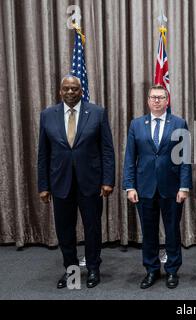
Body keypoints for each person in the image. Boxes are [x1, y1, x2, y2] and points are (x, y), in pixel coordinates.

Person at [37, 75, 115, 289]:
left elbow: (107, 150)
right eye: (66, 89)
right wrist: (43, 186)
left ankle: (93, 269)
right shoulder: (47, 115)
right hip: (60, 184)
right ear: (60, 91)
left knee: (92, 228)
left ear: (81, 91)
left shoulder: (97, 113)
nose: (70, 92)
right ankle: (71, 271)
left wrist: (108, 180)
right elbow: (43, 154)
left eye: (74, 88)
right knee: (64, 230)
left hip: (91, 182)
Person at [123, 84, 192, 289]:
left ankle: (172, 271)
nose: (157, 101)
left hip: (172, 188)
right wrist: (129, 186)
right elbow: (129, 158)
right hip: (143, 188)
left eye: (161, 97)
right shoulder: (136, 124)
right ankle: (152, 270)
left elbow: (185, 158)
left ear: (167, 100)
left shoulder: (179, 123)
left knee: (172, 231)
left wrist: (184, 186)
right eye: (153, 97)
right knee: (149, 232)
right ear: (148, 100)